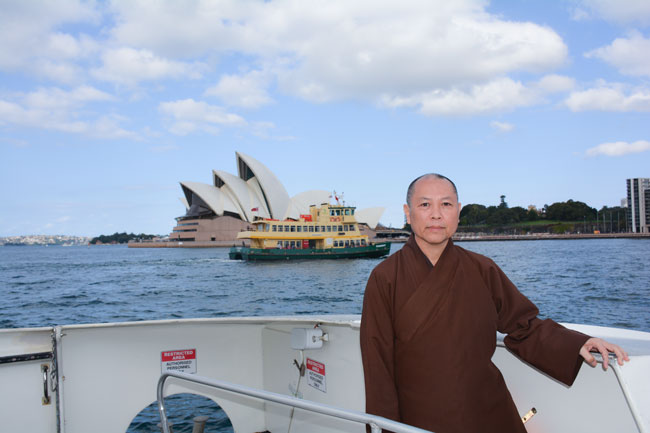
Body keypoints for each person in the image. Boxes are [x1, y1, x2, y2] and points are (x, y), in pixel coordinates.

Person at [360, 173, 629, 433]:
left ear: (458, 211)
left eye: (446, 204)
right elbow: (377, 366)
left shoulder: (482, 269)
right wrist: (387, 427)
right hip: (418, 416)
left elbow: (524, 325)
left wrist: (577, 343)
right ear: (407, 213)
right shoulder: (385, 278)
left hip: (485, 409)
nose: (436, 214)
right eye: (425, 205)